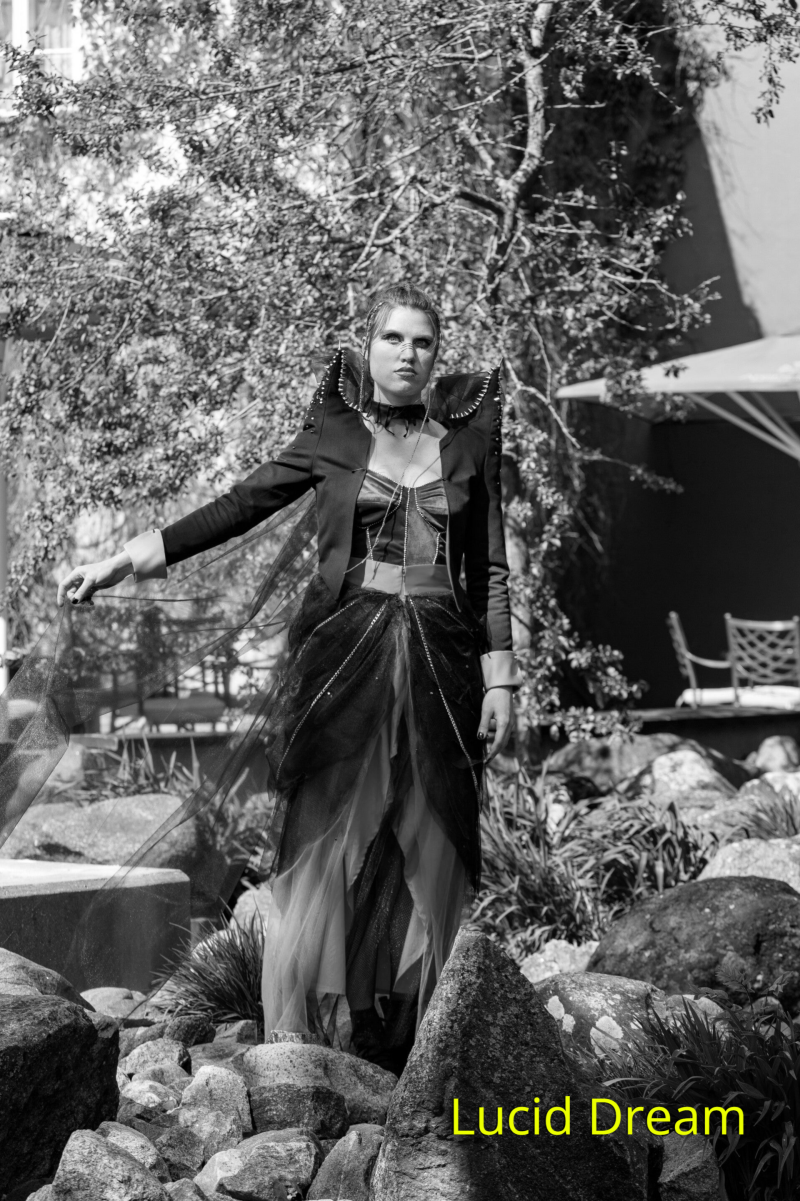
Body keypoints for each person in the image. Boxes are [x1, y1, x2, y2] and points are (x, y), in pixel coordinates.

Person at [56, 282, 522, 1070]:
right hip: (347, 659)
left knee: (435, 839)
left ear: (437, 355)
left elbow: (493, 569)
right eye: (393, 338)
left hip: (444, 665)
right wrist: (123, 560)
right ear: (368, 345)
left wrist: (501, 678)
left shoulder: (468, 443)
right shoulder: (334, 436)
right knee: (326, 835)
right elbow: (238, 504)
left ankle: (422, 1038)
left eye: (423, 342)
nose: (408, 354)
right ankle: (297, 1038)